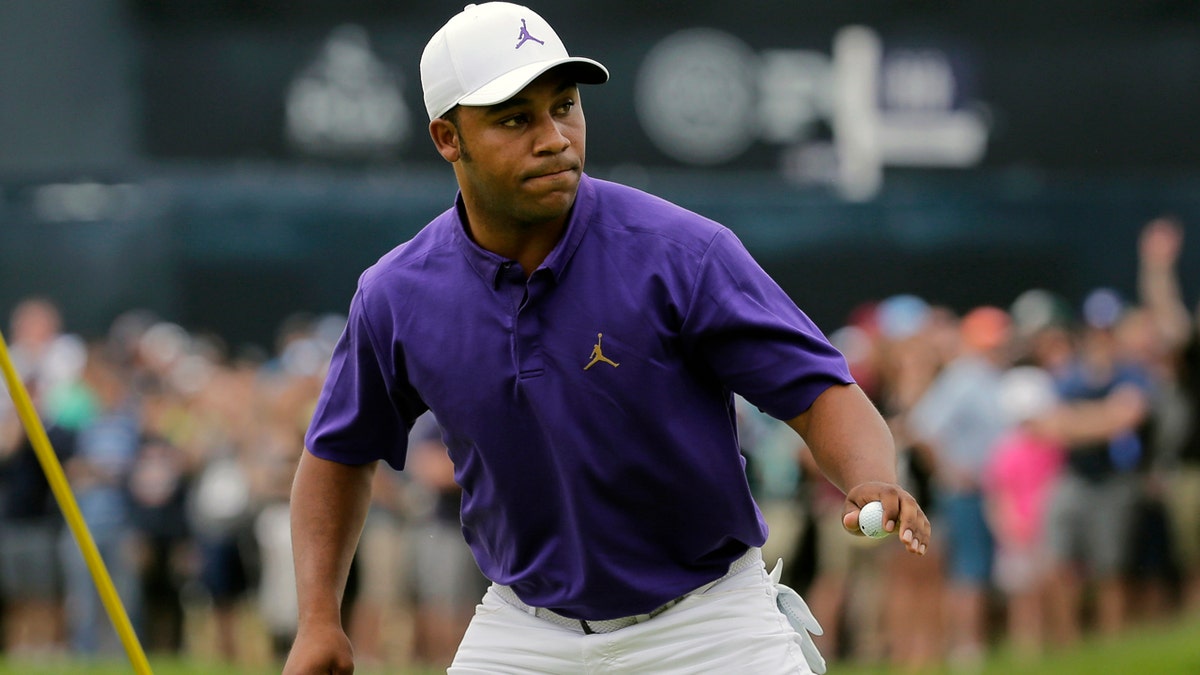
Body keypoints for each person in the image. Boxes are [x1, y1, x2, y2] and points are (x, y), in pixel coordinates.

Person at [283, 4, 931, 674]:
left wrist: (870, 476)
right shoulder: (396, 293)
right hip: (524, 630)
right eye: (516, 119)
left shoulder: (682, 251)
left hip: (707, 622)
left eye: (564, 106)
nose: (554, 137)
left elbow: (819, 390)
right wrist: (317, 621)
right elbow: (336, 453)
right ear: (449, 138)